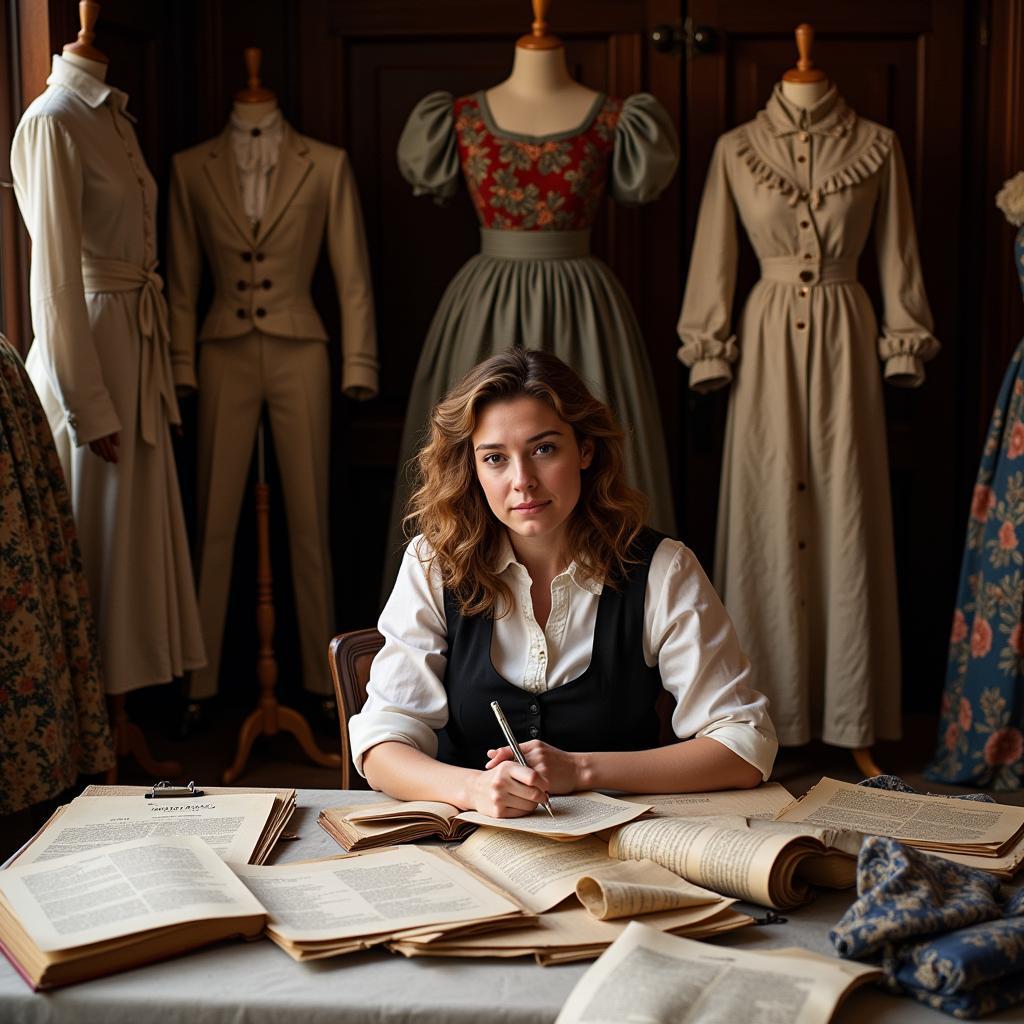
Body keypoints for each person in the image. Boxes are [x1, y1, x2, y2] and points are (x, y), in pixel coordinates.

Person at [349, 349, 777, 816]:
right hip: (467, 843)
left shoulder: (662, 569)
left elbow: (744, 746)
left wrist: (583, 770)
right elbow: (380, 748)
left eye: (544, 449)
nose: (523, 481)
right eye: (495, 458)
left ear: (586, 451)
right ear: (472, 469)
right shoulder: (434, 564)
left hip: (621, 845)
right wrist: (473, 790)